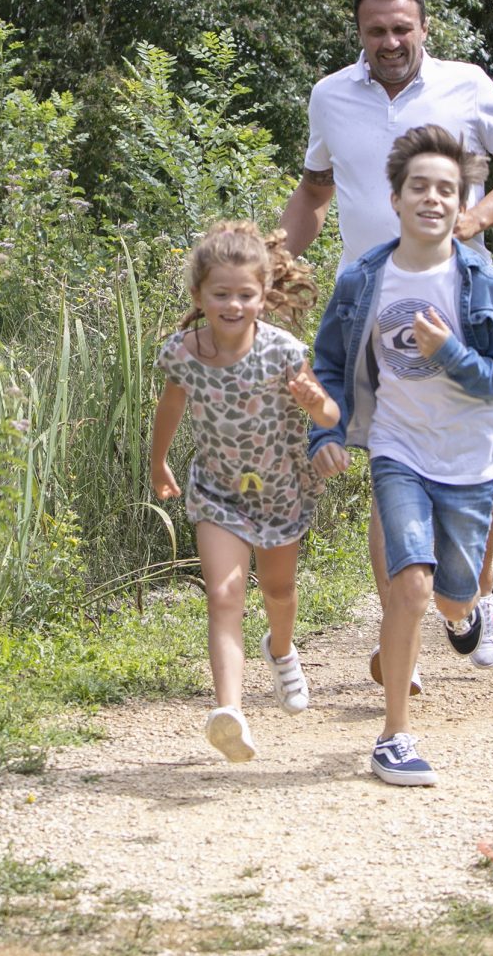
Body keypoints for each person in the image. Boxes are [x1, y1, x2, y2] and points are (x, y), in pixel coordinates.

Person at [280, 0, 493, 680]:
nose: (391, 41)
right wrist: (272, 262)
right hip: (371, 297)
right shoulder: (331, 95)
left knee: (473, 449)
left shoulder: (467, 84)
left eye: (403, 28)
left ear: (424, 27)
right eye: (377, 30)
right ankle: (401, 633)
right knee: (387, 454)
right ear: (360, 34)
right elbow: (314, 191)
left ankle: (478, 598)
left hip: (458, 297)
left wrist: (478, 216)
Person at [310, 126, 493, 785]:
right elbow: (328, 361)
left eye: (446, 188)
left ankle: (470, 612)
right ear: (396, 197)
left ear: (461, 199)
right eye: (419, 187)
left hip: (469, 457)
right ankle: (394, 736)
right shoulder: (364, 278)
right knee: (408, 583)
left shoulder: (487, 283)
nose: (432, 198)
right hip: (398, 448)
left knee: (448, 595)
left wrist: (450, 356)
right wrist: (326, 433)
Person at [148, 221, 346, 763]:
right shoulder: (184, 352)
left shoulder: (282, 351)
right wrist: (158, 461)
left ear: (264, 295)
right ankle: (230, 711)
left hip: (281, 491)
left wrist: (314, 405)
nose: (232, 305)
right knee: (224, 594)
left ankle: (281, 650)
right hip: (219, 492)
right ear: (198, 296)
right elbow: (171, 406)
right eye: (220, 294)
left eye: (245, 294)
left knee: (278, 593)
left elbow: (329, 412)